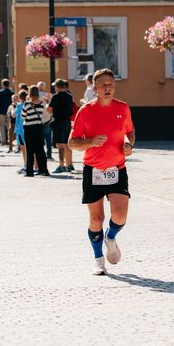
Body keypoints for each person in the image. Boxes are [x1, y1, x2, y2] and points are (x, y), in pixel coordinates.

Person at [68, 68, 136, 276]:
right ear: (95, 89)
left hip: (117, 168)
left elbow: (130, 131)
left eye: (111, 85)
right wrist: (90, 142)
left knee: (120, 216)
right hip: (94, 170)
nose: (108, 88)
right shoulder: (85, 111)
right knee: (96, 219)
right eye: (104, 85)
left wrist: (129, 145)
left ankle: (111, 237)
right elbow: (72, 143)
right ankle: (98, 259)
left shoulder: (123, 108)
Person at [47, 79, 74, 173]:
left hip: (58, 122)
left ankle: (61, 165)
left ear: (57, 87)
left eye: (55, 86)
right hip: (67, 122)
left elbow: (48, 110)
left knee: (60, 145)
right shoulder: (69, 96)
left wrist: (48, 101)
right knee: (67, 144)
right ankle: (70, 165)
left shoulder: (55, 96)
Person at [21, 86, 49, 177]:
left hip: (29, 129)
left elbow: (23, 116)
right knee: (40, 150)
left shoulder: (27, 104)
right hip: (38, 128)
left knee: (30, 151)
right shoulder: (41, 104)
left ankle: (29, 172)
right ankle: (43, 170)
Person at [0, 78, 14, 145]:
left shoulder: (0, 92)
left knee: (1, 127)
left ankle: (3, 141)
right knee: (9, 127)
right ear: (8, 84)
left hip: (1, 111)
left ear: (2, 84)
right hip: (9, 112)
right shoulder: (12, 92)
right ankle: (10, 140)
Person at [13, 90, 27, 174]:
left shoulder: (19, 105)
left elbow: (13, 115)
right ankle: (34, 165)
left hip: (20, 130)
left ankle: (26, 165)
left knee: (23, 148)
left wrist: (13, 107)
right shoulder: (29, 104)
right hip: (27, 128)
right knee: (30, 148)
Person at [38, 81, 53, 159]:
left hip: (39, 119)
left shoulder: (35, 96)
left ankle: (41, 154)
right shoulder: (48, 95)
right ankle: (49, 154)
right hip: (47, 118)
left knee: (40, 139)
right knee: (48, 139)